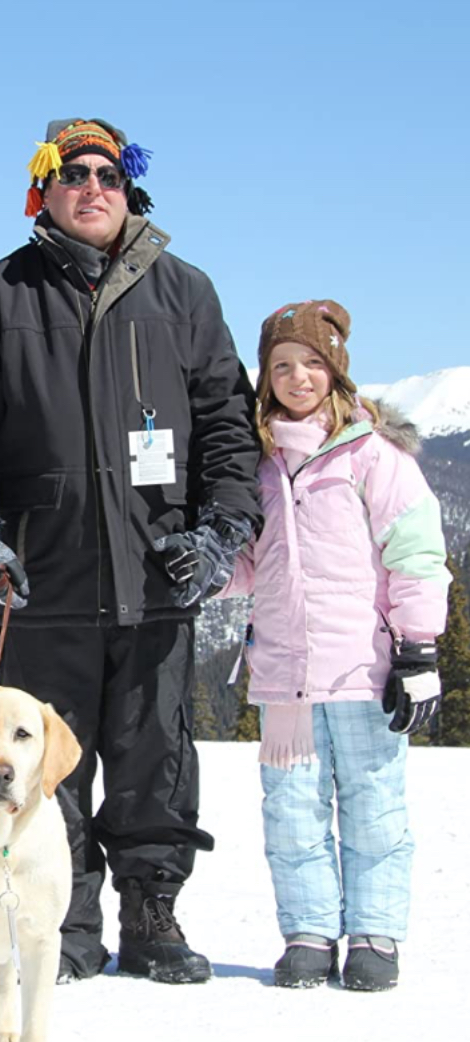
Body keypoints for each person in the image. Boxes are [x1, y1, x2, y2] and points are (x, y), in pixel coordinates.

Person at [0, 117, 262, 985]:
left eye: (107, 173)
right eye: (72, 173)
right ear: (45, 189)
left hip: (158, 572)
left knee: (156, 759)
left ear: (129, 187)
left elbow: (228, 427)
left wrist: (220, 531)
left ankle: (152, 918)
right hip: (43, 578)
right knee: (43, 772)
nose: (92, 187)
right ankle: (61, 926)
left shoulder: (183, 293)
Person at [219, 299, 449, 990]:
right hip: (283, 672)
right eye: (281, 366)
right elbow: (248, 570)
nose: (297, 378)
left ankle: (374, 932)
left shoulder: (371, 456)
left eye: (312, 363)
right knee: (291, 814)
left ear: (336, 372)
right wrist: (196, 565)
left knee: (372, 805)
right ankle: (308, 933)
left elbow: (413, 550)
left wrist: (416, 650)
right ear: (263, 379)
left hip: (361, 668)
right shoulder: (256, 468)